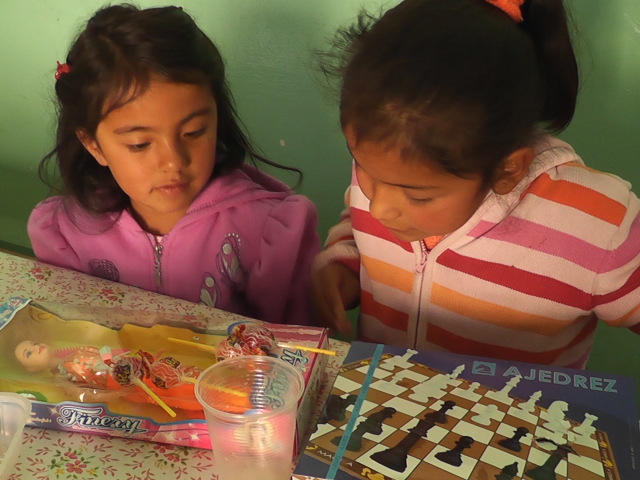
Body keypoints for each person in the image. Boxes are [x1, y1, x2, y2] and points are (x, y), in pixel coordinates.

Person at [311, 0, 640, 368]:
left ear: (507, 170)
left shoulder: (597, 224)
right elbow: (358, 223)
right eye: (363, 170)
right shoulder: (392, 169)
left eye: (418, 197)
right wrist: (344, 264)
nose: (379, 208)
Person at [28, 5, 320, 325]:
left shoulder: (267, 230)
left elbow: (298, 343)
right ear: (93, 145)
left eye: (193, 132)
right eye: (140, 144)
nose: (173, 161)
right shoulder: (65, 233)